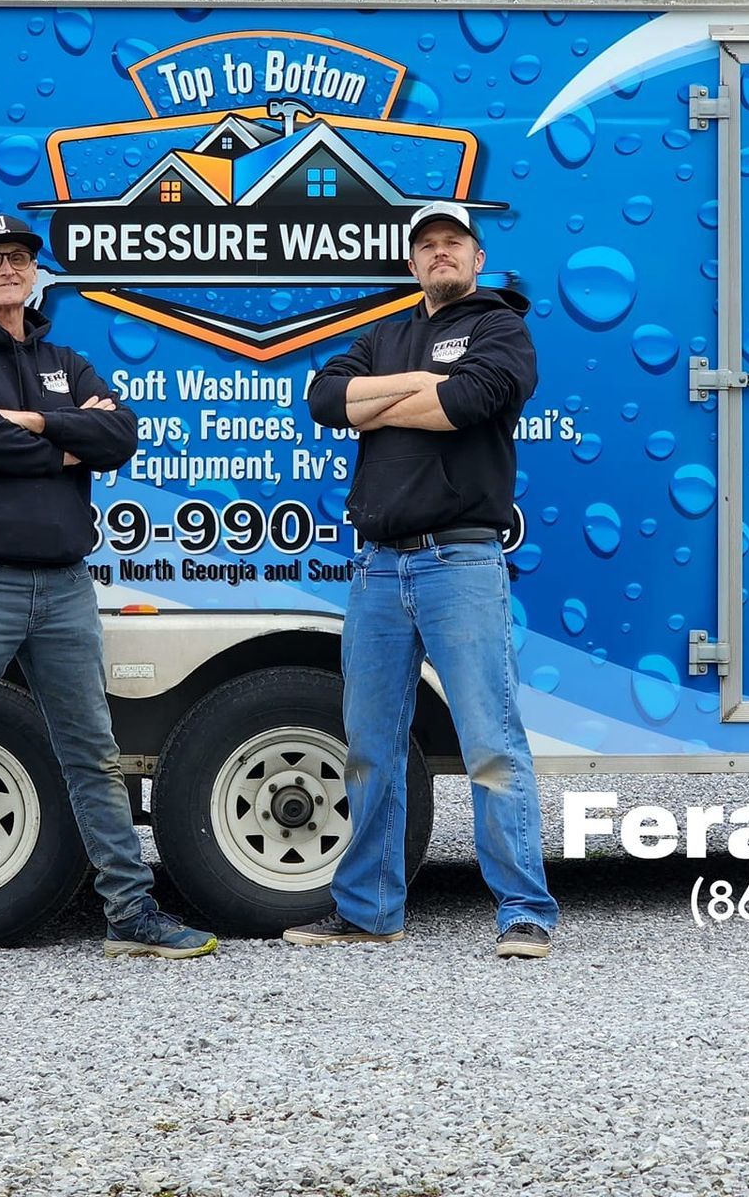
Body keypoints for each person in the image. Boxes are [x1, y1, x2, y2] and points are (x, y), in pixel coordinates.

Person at [0, 212, 218, 979]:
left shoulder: (65, 359)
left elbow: (120, 436)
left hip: (64, 587)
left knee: (93, 755)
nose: (7, 269)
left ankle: (131, 913)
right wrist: (65, 440)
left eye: (19, 257)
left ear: (34, 271)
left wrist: (31, 422)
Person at [288, 200, 558, 959]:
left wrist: (378, 401)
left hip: (460, 562)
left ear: (477, 259)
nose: (441, 252)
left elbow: (467, 401)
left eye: (454, 242)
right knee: (370, 748)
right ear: (412, 263)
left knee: (491, 743)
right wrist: (419, 387)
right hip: (378, 566)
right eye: (428, 244)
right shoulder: (385, 334)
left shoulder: (501, 326)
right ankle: (370, 909)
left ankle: (524, 911)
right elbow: (325, 400)